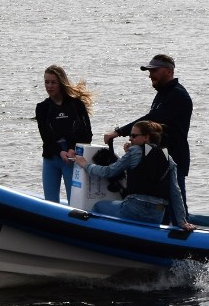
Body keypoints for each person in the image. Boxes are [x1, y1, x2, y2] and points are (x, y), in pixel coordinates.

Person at [103, 54, 192, 204]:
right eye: (149, 72)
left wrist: (119, 132)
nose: (150, 75)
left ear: (169, 72)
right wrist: (137, 143)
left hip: (174, 159)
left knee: (177, 204)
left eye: (154, 71)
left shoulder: (178, 95)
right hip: (158, 158)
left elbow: (151, 120)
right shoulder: (162, 94)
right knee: (159, 200)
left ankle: (182, 225)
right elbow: (152, 130)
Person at [75, 121, 195, 231]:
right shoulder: (169, 159)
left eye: (133, 136)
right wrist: (182, 221)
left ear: (146, 137)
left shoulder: (135, 152)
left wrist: (86, 165)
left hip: (133, 209)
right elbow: (175, 192)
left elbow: (109, 171)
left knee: (98, 206)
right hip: (157, 214)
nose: (130, 139)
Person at [35, 65, 94, 203]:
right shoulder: (42, 107)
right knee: (50, 202)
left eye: (53, 82)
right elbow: (46, 137)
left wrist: (72, 149)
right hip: (51, 158)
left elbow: (87, 134)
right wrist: (60, 152)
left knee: (73, 200)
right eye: (46, 82)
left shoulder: (76, 105)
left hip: (72, 159)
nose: (49, 86)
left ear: (61, 83)